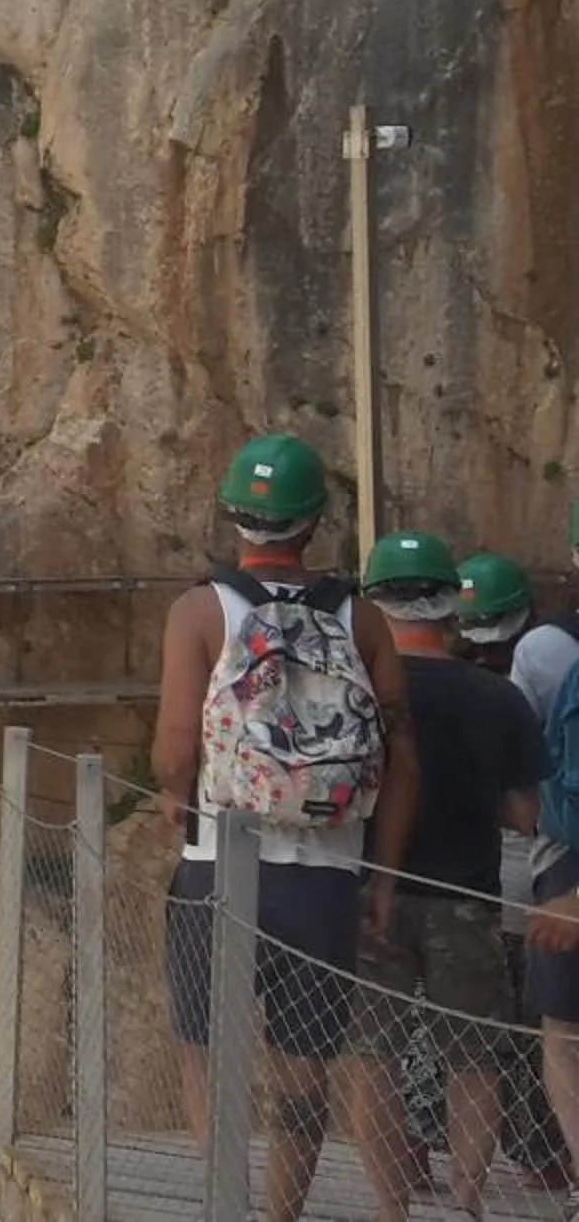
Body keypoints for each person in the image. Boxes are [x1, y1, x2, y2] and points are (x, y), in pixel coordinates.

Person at [153, 434, 418, 1222]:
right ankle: (279, 1215)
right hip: (325, 874)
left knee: (204, 1041)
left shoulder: (201, 609)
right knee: (304, 1064)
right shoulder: (360, 618)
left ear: (234, 514)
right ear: (314, 524)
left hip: (220, 860)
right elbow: (402, 750)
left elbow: (175, 743)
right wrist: (385, 875)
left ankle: (217, 1188)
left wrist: (175, 794)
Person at [341, 532, 543, 1219]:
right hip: (467, 897)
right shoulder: (496, 697)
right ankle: (466, 1200)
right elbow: (523, 814)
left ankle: (391, 1206)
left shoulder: (363, 687)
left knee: (372, 1052)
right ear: (447, 607)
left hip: (372, 891)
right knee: (474, 1055)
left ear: (376, 603)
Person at [455, 551, 579, 1192]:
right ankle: (540, 1156)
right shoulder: (549, 654)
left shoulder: (536, 658)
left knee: (541, 1029)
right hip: (530, 873)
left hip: (523, 875)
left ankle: (521, 1162)